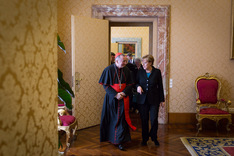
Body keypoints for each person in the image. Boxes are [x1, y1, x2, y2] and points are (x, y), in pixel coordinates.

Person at [99, 53, 136, 151]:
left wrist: (123, 93)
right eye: (123, 61)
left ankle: (120, 141)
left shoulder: (127, 70)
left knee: (122, 119)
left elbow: (130, 84)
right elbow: (105, 85)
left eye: (126, 61)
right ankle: (112, 138)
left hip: (123, 98)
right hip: (112, 98)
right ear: (116, 61)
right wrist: (116, 94)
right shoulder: (108, 69)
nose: (125, 63)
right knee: (113, 119)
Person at [135, 54, 165, 146]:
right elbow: (135, 83)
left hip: (154, 100)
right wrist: (138, 86)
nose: (142, 65)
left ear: (150, 63)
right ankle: (144, 139)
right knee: (144, 120)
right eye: (142, 63)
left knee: (153, 119)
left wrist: (162, 100)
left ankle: (154, 137)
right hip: (142, 100)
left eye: (145, 63)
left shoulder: (157, 72)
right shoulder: (140, 72)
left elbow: (160, 86)